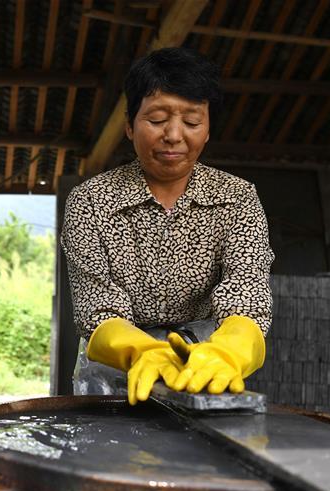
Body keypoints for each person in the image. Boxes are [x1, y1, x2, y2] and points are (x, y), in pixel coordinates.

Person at [61, 47, 274, 404]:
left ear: (207, 130)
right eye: (157, 120)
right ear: (129, 125)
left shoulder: (237, 198)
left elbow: (247, 294)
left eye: (191, 122)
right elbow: (96, 307)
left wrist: (228, 352)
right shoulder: (91, 201)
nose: (174, 135)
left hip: (203, 366)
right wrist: (140, 351)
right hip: (117, 369)